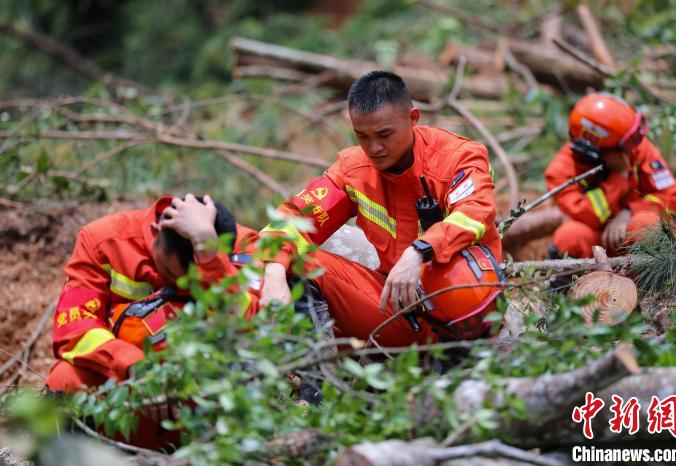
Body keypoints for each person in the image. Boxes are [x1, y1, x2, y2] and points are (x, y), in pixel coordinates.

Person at [259, 70, 502, 347]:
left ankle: (457, 360)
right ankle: (314, 383)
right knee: (291, 261)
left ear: (413, 118)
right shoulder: (353, 169)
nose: (374, 148)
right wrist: (274, 272)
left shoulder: (457, 157)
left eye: (384, 134)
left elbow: (477, 209)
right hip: (397, 311)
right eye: (362, 136)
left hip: (465, 309)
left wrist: (420, 251)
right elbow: (292, 220)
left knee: (463, 276)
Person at [46, 194, 260, 449]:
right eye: (169, 273)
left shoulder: (237, 243)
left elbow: (252, 327)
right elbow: (75, 328)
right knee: (65, 378)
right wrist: (136, 367)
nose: (178, 287)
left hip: (203, 399)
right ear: (155, 232)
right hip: (127, 387)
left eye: (191, 283)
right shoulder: (103, 240)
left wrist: (210, 253)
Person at [545, 93, 676, 259]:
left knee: (644, 223)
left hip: (636, 240)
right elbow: (588, 216)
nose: (634, 146)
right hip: (597, 246)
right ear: (596, 146)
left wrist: (628, 212)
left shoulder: (639, 148)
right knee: (568, 236)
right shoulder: (560, 171)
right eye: (627, 142)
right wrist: (618, 178)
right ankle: (575, 282)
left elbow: (672, 196)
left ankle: (652, 280)